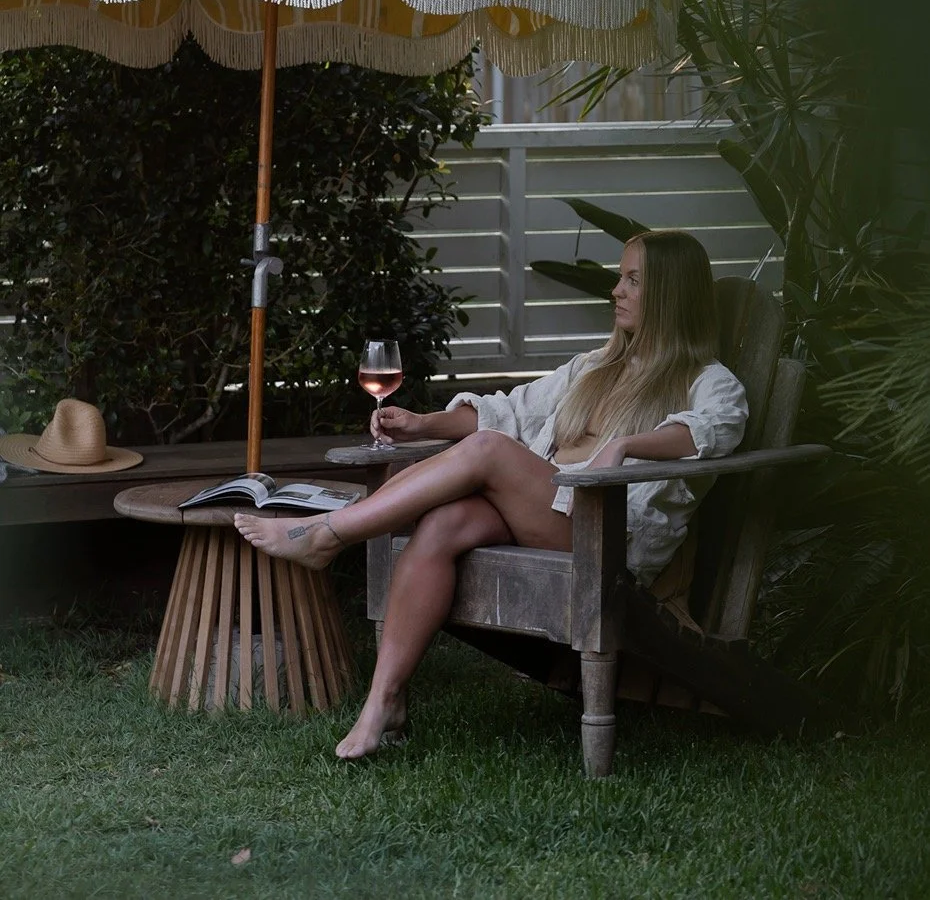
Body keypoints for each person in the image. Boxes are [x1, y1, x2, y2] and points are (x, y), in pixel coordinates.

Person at [234, 230, 748, 759]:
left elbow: (712, 430)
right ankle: (382, 703)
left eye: (632, 280)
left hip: (606, 535)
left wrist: (624, 444)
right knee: (444, 524)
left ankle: (328, 532)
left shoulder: (709, 380)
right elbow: (510, 410)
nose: (616, 290)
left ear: (670, 294)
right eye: (620, 277)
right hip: (548, 514)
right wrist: (421, 422)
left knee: (489, 451)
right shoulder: (593, 368)